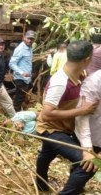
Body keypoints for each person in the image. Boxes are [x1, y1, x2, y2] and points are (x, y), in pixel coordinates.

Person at [35, 40, 99, 194]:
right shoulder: (60, 82)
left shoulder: (80, 75)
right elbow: (46, 113)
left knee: (46, 154)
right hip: (51, 129)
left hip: (64, 127)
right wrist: (81, 111)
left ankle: (41, 184)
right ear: (87, 59)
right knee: (88, 162)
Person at [75, 69, 101, 154]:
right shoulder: (94, 81)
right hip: (90, 136)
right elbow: (82, 117)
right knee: (82, 165)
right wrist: (87, 149)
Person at [9, 30, 35, 111]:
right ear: (24, 38)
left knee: (23, 92)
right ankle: (16, 114)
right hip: (20, 77)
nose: (30, 40)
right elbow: (12, 63)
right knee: (19, 97)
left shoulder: (29, 48)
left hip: (27, 78)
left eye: (32, 39)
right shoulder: (20, 49)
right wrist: (22, 72)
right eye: (28, 38)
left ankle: (7, 94)